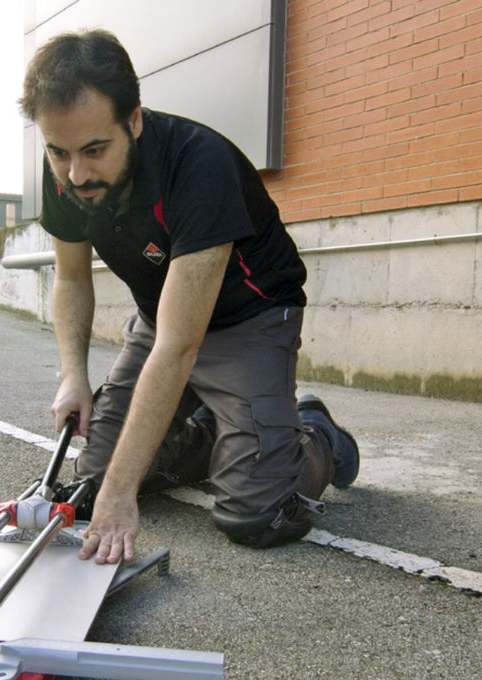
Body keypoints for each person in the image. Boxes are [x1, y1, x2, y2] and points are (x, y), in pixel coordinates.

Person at [18, 29, 359, 565]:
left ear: (134, 120)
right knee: (93, 480)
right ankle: (219, 431)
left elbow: (180, 346)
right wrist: (73, 376)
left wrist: (122, 496)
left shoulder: (199, 164)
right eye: (58, 152)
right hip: (163, 318)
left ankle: (315, 432)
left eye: (94, 150)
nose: (76, 173)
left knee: (254, 512)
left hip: (250, 317)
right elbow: (71, 279)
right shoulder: (66, 170)